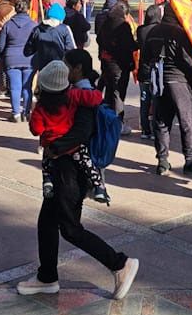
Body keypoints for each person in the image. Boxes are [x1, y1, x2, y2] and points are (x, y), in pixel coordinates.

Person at [16, 63, 139, 301]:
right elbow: (94, 98)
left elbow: (78, 132)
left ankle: (119, 263)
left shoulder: (70, 103)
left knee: (71, 229)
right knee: (47, 223)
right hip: (65, 169)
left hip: (68, 172)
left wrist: (55, 147)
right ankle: (47, 277)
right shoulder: (77, 96)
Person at [30, 60, 110, 205]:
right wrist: (98, 92)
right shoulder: (73, 95)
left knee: (47, 163)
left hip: (50, 144)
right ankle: (99, 187)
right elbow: (94, 98)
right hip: (73, 146)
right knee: (87, 162)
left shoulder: (40, 107)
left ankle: (47, 182)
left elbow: (36, 130)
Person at [146, 5, 192, 175]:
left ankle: (162, 160)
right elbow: (190, 61)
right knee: (188, 121)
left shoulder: (153, 32)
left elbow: (145, 58)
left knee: (161, 121)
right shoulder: (180, 33)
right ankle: (189, 160)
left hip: (158, 82)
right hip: (178, 81)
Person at [95, 0, 136, 129]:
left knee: (109, 92)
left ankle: (105, 120)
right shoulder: (123, 26)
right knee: (118, 94)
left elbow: (98, 39)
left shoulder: (106, 23)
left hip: (107, 63)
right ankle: (118, 123)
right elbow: (129, 45)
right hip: (120, 64)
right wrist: (138, 43)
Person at [0, 0, 37, 122]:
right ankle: (26, 112)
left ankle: (15, 113)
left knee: (15, 87)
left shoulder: (8, 25)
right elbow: (37, 43)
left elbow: (1, 46)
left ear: (15, 9)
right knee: (27, 87)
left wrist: (2, 58)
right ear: (27, 10)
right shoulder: (34, 25)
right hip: (29, 59)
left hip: (11, 58)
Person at [26, 3, 76, 83]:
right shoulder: (65, 29)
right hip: (60, 68)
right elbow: (71, 49)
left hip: (42, 67)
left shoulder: (37, 29)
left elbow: (29, 50)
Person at [136, 5, 163, 141]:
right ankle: (154, 129)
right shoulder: (159, 31)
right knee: (156, 100)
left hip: (143, 69)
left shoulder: (141, 30)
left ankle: (145, 130)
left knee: (144, 101)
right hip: (157, 70)